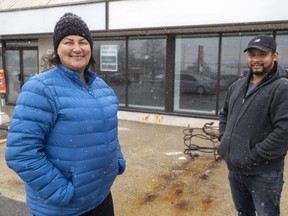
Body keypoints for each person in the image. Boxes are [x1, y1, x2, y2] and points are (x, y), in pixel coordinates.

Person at [5, 12, 126, 216]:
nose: (77, 48)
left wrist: (117, 161)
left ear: (90, 48)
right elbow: (21, 153)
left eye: (83, 41)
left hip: (101, 197)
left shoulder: (101, 87)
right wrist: (62, 191)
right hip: (63, 207)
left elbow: (108, 129)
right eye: (68, 41)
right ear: (57, 49)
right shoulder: (41, 88)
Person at [217, 34, 288, 216]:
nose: (255, 59)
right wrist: (224, 141)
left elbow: (284, 132)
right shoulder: (238, 85)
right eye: (252, 54)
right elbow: (225, 114)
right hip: (235, 170)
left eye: (262, 54)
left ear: (275, 56)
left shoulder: (282, 88)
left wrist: (253, 156)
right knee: (243, 212)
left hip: (264, 174)